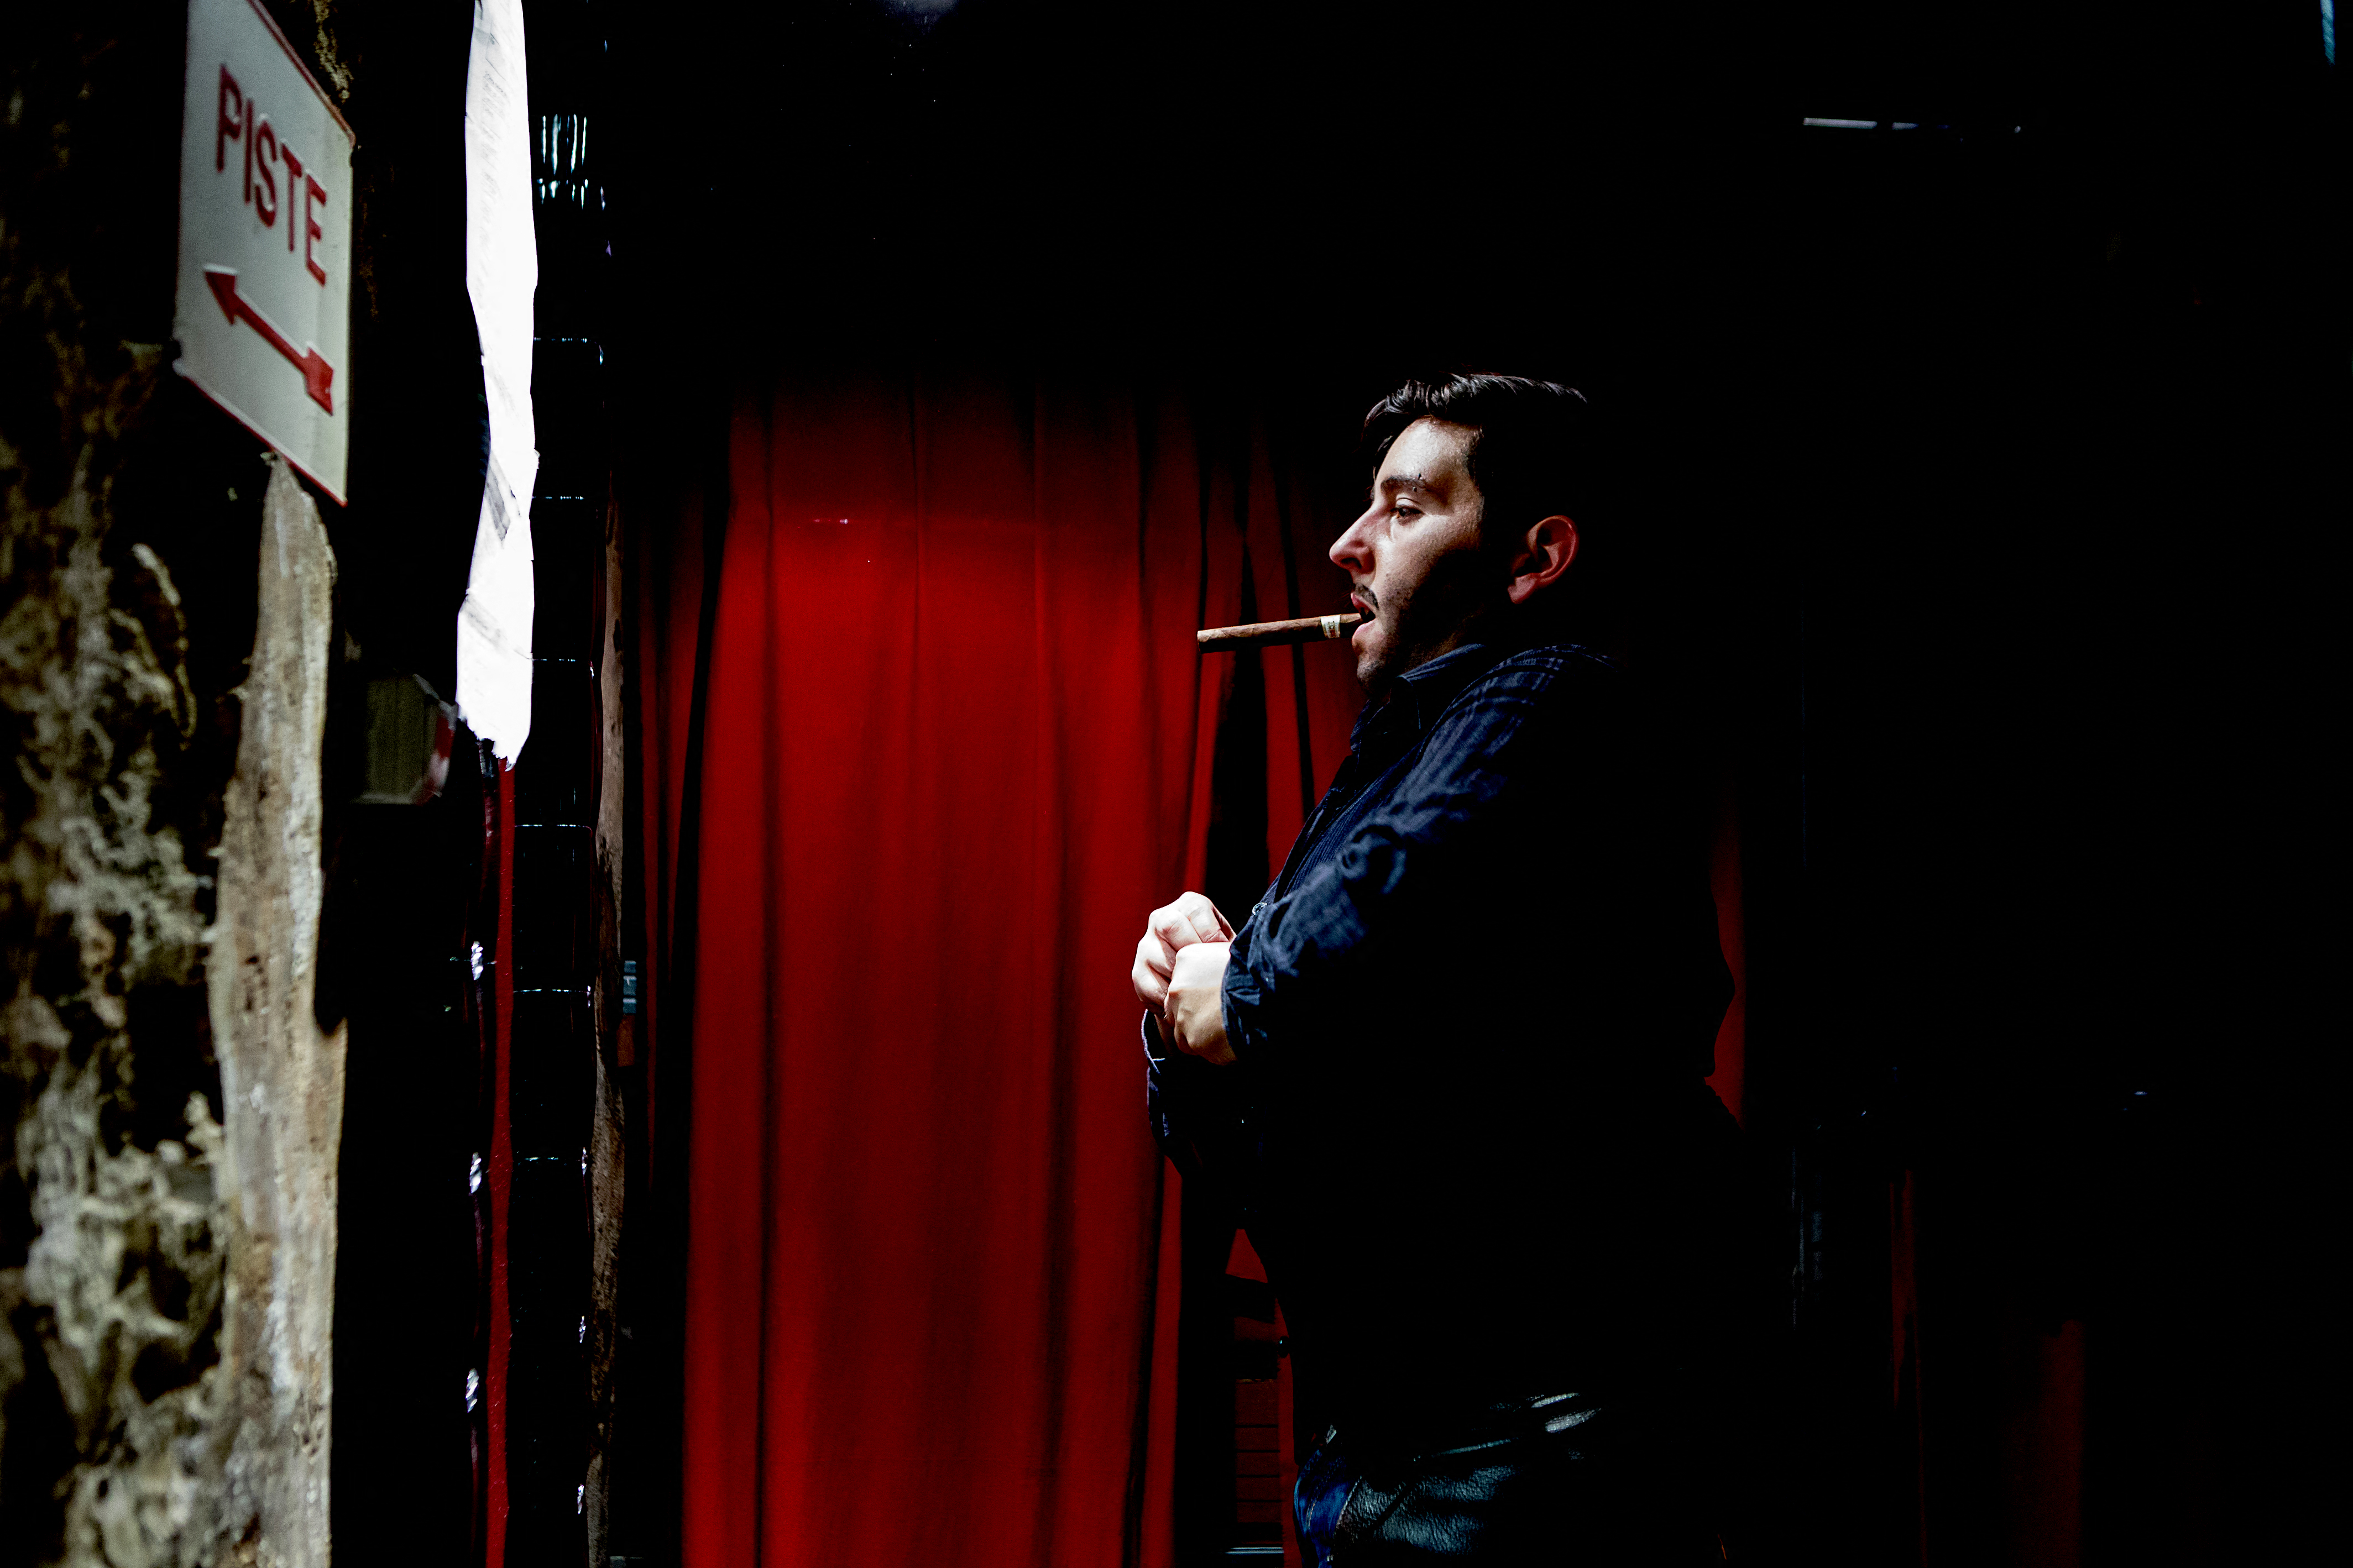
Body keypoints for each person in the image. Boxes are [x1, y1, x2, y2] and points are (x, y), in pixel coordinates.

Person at [1131, 375, 1744, 1564]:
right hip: (1395, 1446)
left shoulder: (1552, 697)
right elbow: (1239, 1121)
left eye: (1405, 509)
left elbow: (1354, 939)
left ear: (1534, 557)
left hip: (1524, 1453)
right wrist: (1179, 1014)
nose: (1346, 545)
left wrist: (1233, 991)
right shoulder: (1398, 763)